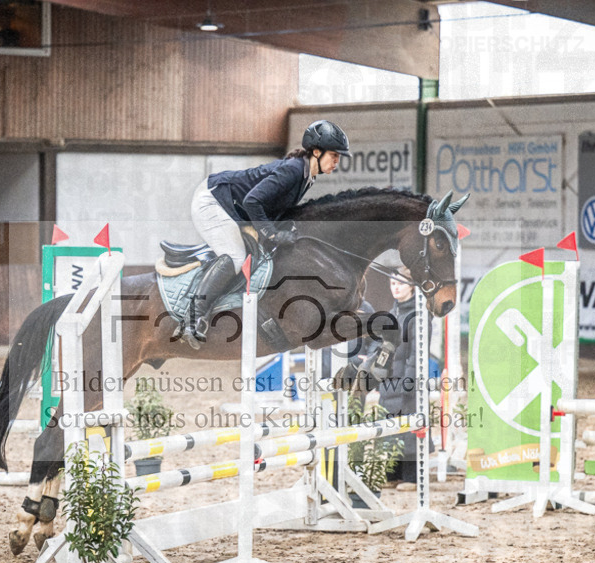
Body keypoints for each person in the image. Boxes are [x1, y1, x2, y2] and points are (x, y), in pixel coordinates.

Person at [178, 119, 351, 349]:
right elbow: (252, 201)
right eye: (334, 155)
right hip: (212, 201)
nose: (337, 161)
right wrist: (271, 234)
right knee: (236, 257)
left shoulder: (307, 176)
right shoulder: (293, 171)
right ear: (317, 152)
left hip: (232, 207)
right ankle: (192, 318)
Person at [378, 269, 424, 491]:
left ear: (412, 286)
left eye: (400, 283)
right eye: (392, 283)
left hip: (408, 379)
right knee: (390, 427)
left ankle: (411, 478)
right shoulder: (391, 313)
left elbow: (417, 352)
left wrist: (409, 380)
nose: (395, 287)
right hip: (389, 380)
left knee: (409, 429)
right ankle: (392, 475)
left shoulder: (419, 314)